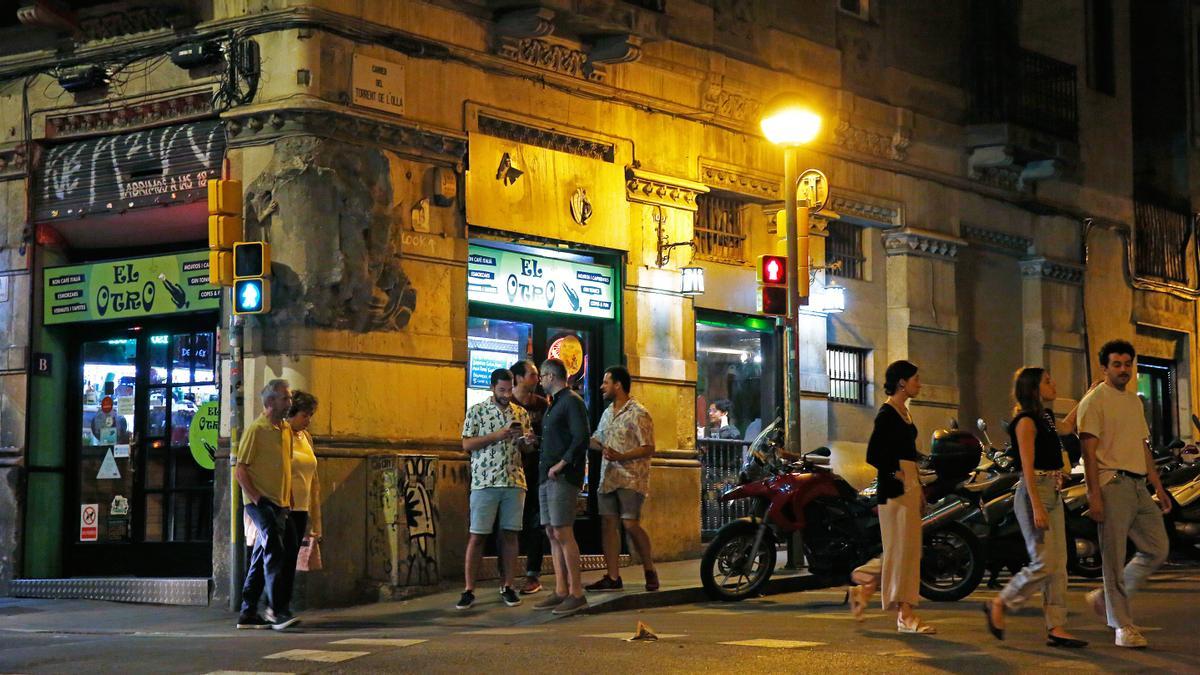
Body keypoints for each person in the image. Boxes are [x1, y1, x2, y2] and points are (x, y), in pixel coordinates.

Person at [983, 368, 1088, 648]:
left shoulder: (1046, 418)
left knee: (1059, 565)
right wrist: (1037, 506)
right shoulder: (1026, 421)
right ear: (1033, 388)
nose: (1053, 385)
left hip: (1053, 491)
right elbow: (1027, 468)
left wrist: (1089, 395)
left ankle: (1057, 626)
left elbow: (1068, 426)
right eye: (1047, 381)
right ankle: (1000, 603)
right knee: (1044, 562)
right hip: (1035, 492)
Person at [1078, 340, 1171, 649]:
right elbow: (1089, 452)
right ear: (1104, 367)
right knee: (1113, 559)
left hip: (1138, 485)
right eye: (1116, 364)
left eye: (1127, 364)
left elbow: (1142, 446)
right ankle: (1122, 626)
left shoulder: (1134, 401)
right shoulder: (1094, 401)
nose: (1123, 370)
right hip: (1111, 483)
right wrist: (1094, 494)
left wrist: (1158, 486)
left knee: (1157, 548)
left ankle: (1105, 600)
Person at [850, 360, 935, 634]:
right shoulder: (887, 414)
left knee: (907, 551)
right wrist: (896, 474)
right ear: (902, 382)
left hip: (909, 485)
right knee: (902, 552)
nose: (919, 384)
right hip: (895, 491)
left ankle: (865, 589)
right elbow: (874, 454)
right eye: (915, 379)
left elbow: (908, 453)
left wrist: (918, 485)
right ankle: (904, 614)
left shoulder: (904, 413)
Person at [458, 368, 533, 610]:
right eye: (502, 390)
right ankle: (469, 589)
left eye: (509, 389)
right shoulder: (477, 411)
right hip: (485, 481)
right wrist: (497, 435)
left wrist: (527, 441)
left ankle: (508, 585)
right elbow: (467, 443)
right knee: (478, 535)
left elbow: (527, 450)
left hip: (513, 480)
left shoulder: (520, 413)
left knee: (510, 534)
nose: (506, 394)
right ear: (492, 388)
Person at [585, 365, 659, 593]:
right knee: (608, 524)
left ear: (618, 384)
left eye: (606, 382)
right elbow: (597, 438)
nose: (602, 387)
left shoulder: (639, 412)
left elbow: (648, 447)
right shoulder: (608, 412)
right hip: (608, 477)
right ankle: (613, 575)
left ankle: (649, 568)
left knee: (630, 525)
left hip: (631, 478)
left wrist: (621, 456)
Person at [235, 379, 298, 630]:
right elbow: (240, 470)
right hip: (260, 502)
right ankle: (276, 610)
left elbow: (285, 468)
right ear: (270, 402)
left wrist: (288, 498)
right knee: (274, 550)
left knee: (269, 551)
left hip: (280, 503)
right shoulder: (256, 430)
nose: (289, 403)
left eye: (290, 398)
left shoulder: (285, 430)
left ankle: (248, 611)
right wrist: (258, 499)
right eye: (285, 398)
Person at [531, 358, 590, 615]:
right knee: (552, 532)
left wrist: (562, 464)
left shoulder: (572, 402)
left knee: (563, 532)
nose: (541, 381)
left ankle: (576, 592)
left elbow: (581, 437)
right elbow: (562, 437)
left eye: (543, 376)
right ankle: (560, 589)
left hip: (562, 477)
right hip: (547, 476)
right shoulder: (554, 406)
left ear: (552, 376)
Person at [509, 359, 550, 595]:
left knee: (535, 524)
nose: (538, 379)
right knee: (510, 524)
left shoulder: (542, 404)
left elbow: (551, 436)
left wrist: (538, 442)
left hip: (535, 471)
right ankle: (508, 576)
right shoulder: (507, 404)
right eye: (533, 375)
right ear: (519, 378)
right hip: (511, 471)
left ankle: (533, 574)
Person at [283, 391, 323, 613]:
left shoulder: (305, 437)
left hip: (302, 506)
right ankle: (274, 605)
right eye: (305, 415)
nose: (308, 420)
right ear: (292, 413)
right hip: (284, 506)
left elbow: (312, 475)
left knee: (292, 558)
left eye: (310, 415)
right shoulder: (282, 434)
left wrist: (313, 513)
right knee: (281, 558)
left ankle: (282, 604)